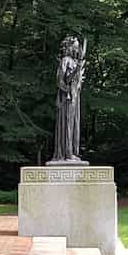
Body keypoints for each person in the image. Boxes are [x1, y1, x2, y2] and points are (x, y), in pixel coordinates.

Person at [51, 35, 87, 163]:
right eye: (75, 47)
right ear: (69, 47)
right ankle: (66, 153)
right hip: (66, 98)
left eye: (78, 47)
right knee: (67, 123)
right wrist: (68, 89)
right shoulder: (65, 60)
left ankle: (72, 152)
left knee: (74, 124)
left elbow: (77, 82)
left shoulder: (75, 62)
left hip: (75, 97)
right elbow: (60, 81)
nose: (77, 50)